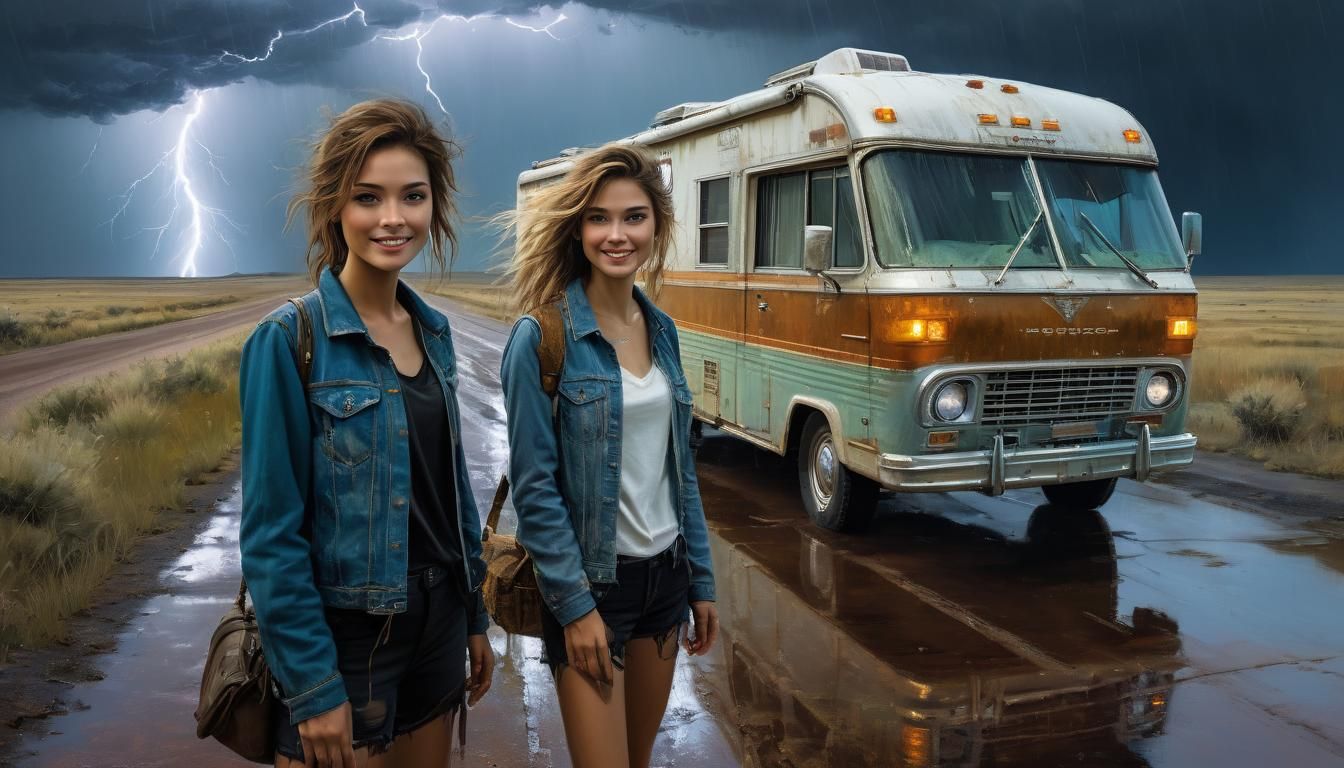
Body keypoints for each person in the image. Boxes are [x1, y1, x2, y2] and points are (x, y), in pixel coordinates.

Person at [238, 98, 494, 768]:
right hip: (346, 642)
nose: (392, 218)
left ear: (434, 207)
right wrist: (313, 686)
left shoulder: (433, 333)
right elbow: (271, 536)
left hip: (438, 626)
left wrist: (472, 618)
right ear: (335, 208)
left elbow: (451, 496)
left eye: (412, 196)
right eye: (367, 197)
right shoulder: (289, 340)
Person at [499, 143, 719, 767]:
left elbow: (682, 475)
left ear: (658, 224)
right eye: (599, 218)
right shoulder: (541, 337)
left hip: (666, 579)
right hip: (595, 584)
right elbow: (535, 489)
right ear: (578, 228)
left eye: (634, 217)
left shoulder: (665, 332)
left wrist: (700, 580)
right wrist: (574, 607)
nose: (617, 235)